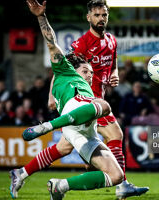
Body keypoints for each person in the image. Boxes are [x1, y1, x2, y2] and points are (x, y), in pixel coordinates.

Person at [10, 0, 124, 199]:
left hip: (85, 131)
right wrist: (41, 16)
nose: (90, 75)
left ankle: (58, 185)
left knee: (116, 174)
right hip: (77, 110)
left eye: (91, 72)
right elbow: (51, 42)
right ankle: (45, 127)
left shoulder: (90, 79)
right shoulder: (66, 70)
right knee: (105, 109)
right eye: (86, 71)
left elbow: (109, 65)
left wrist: (112, 73)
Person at [47, 0, 149, 198]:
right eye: (97, 15)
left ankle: (26, 174)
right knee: (115, 134)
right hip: (87, 101)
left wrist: (115, 74)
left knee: (65, 148)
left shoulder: (111, 41)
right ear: (89, 17)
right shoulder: (82, 44)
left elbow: (114, 62)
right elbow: (63, 68)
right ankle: (122, 185)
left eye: (104, 15)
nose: (101, 19)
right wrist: (51, 93)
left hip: (100, 100)